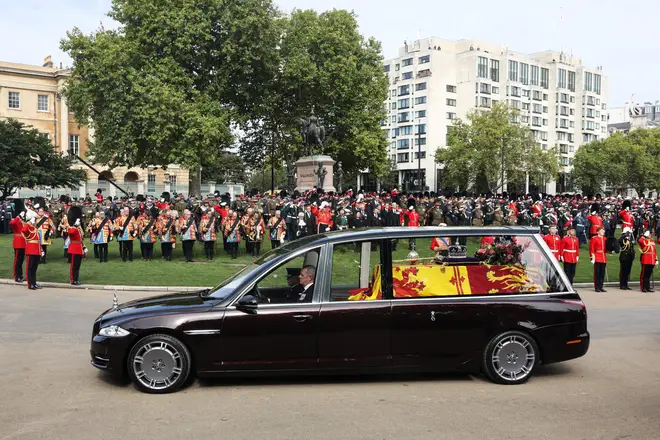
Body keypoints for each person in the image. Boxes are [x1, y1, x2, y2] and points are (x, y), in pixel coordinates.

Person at [22, 210, 42, 290]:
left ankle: (34, 283)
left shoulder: (34, 228)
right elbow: (24, 230)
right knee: (30, 268)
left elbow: (38, 241)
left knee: (34, 268)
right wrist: (29, 222)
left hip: (36, 250)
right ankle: (30, 284)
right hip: (30, 250)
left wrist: (41, 250)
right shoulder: (28, 227)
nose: (35, 221)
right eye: (34, 219)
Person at [66, 207, 86, 285]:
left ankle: (76, 279)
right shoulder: (72, 228)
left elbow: (80, 240)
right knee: (73, 266)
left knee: (77, 266)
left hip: (79, 248)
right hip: (74, 249)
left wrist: (84, 247)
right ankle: (72, 280)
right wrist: (74, 225)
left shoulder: (78, 229)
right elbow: (70, 233)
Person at [9, 204, 26, 283]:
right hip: (18, 243)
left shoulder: (23, 221)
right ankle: (17, 276)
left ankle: (21, 275)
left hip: (24, 242)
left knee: (21, 260)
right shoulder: (15, 220)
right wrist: (18, 216)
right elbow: (12, 224)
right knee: (17, 260)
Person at [589, 226, 608, 293]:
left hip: (603, 257)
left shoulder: (605, 239)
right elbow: (592, 249)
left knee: (602, 273)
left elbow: (606, 249)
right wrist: (592, 257)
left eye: (603, 230)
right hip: (597, 257)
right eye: (602, 230)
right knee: (597, 273)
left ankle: (601, 286)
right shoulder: (594, 238)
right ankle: (597, 287)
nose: (603, 231)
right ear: (598, 232)